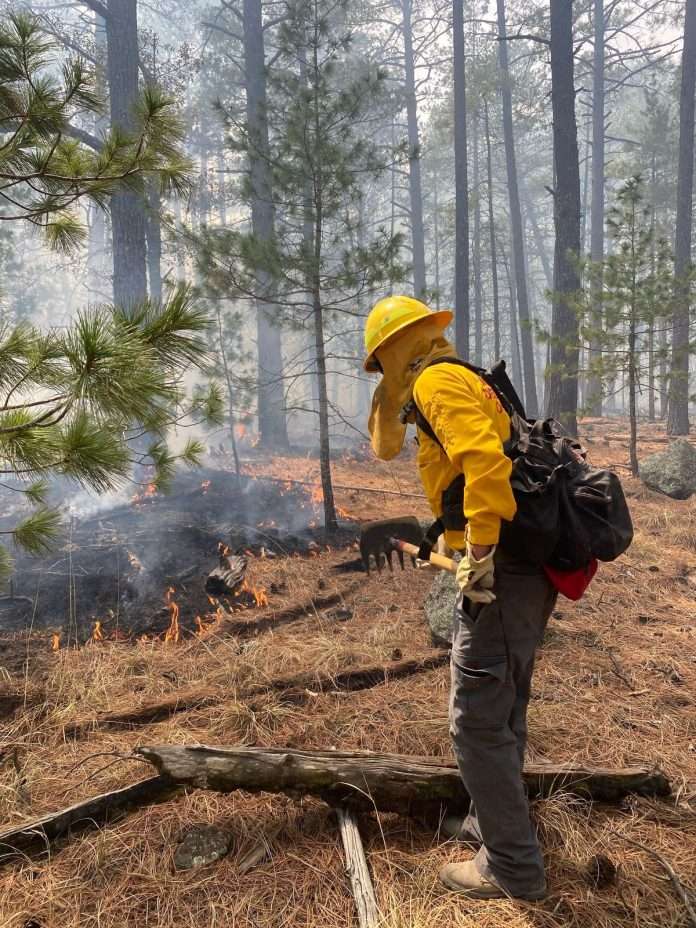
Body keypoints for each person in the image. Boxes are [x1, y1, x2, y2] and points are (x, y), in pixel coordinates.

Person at [363, 295, 557, 901]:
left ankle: (512, 868)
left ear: (395, 350)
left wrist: (478, 553)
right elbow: (403, 452)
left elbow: (483, 465)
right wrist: (451, 530)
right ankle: (489, 824)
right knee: (503, 703)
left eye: (379, 364)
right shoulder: (458, 376)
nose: (381, 376)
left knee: (473, 719)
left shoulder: (438, 384)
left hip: (500, 570)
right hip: (524, 567)